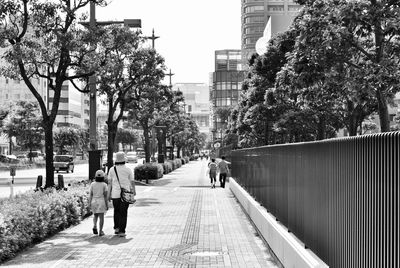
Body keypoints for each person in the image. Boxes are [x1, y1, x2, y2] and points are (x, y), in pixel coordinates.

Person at [107, 152, 136, 237]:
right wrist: (134, 191)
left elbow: (109, 183)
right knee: (123, 212)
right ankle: (122, 231)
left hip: (115, 194)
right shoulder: (128, 169)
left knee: (116, 211)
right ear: (124, 159)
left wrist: (108, 194)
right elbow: (132, 182)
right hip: (126, 194)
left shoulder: (112, 169)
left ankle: (116, 228)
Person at [88, 170, 108, 236]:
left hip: (94, 201)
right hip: (101, 201)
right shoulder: (104, 185)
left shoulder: (92, 184)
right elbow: (105, 196)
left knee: (95, 215)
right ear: (103, 177)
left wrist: (89, 203)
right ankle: (100, 231)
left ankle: (94, 226)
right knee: (101, 217)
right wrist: (107, 205)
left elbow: (90, 194)